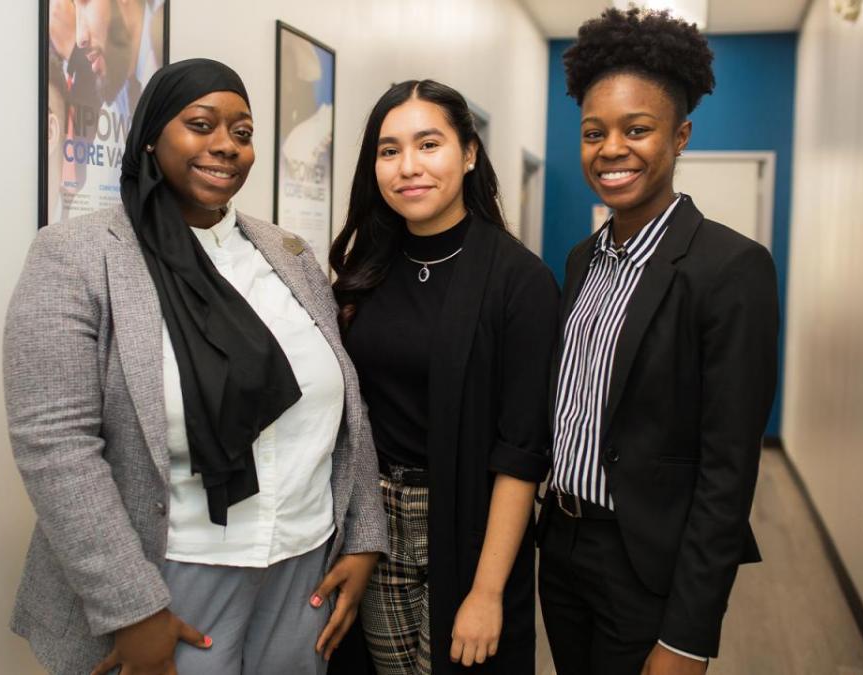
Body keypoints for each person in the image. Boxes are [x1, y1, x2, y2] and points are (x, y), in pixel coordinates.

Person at [4, 58, 388, 675]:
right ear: (154, 135)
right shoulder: (77, 256)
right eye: (201, 124)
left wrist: (365, 533)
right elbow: (54, 445)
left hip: (303, 562)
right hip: (170, 571)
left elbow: (348, 401)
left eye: (242, 133)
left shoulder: (287, 254)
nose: (226, 147)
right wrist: (132, 609)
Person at [536, 8, 779, 675]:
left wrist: (688, 636)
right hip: (560, 548)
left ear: (680, 137)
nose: (611, 149)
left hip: (644, 562)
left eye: (636, 129)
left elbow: (728, 472)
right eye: (594, 133)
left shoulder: (731, 268)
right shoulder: (582, 259)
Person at [330, 80, 560, 674]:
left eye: (428, 144)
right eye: (389, 150)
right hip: (373, 521)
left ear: (469, 153)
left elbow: (521, 454)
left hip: (468, 521)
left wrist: (486, 593)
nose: (408, 167)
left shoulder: (519, 281)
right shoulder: (365, 272)